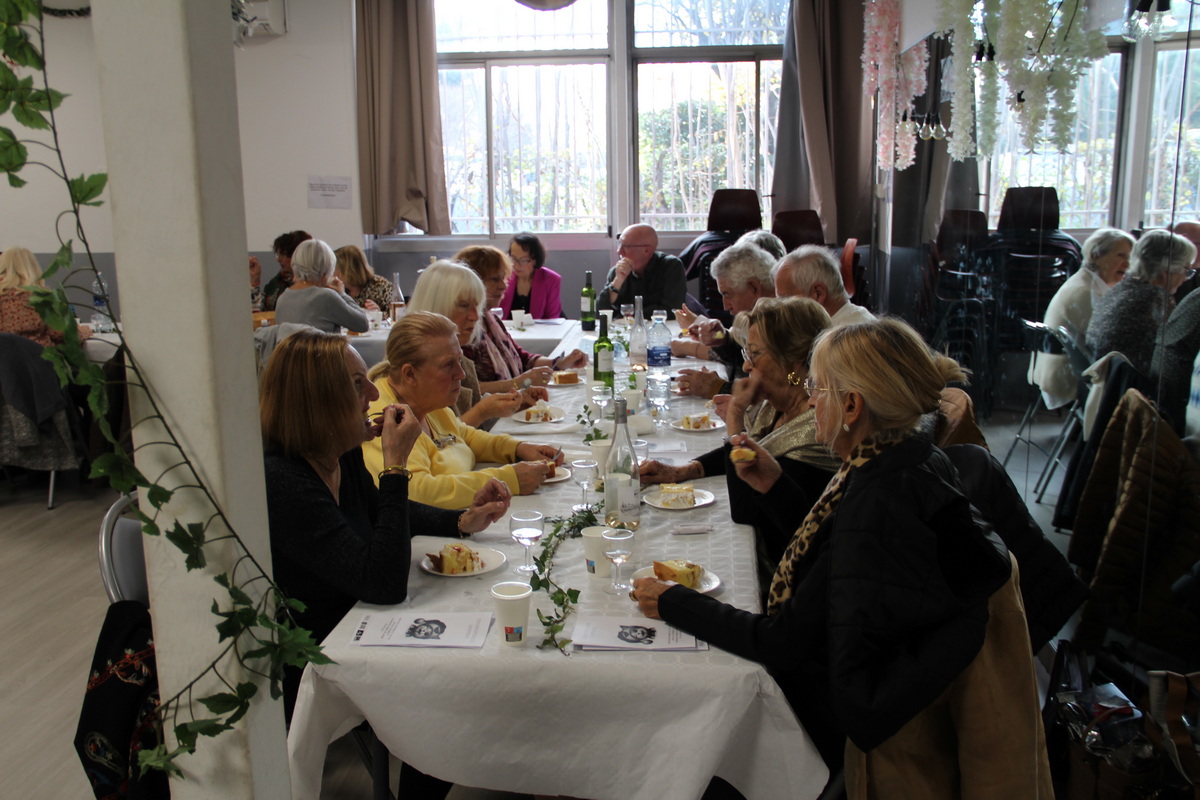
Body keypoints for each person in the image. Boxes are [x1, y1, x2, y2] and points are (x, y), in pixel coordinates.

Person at [632, 319, 1050, 796]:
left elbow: (782, 643)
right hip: (887, 683)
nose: (810, 401)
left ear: (851, 406)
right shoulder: (907, 456)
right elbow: (836, 562)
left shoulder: (880, 501)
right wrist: (777, 487)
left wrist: (672, 601)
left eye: (816, 389)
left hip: (847, 720)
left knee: (685, 725)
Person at [260, 329, 511, 720]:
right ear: (318, 400)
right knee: (467, 682)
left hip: (366, 621)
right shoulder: (283, 482)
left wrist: (462, 521)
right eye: (357, 385)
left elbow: (384, 511)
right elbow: (383, 583)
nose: (374, 394)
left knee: (484, 625)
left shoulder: (337, 455)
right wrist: (395, 466)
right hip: (325, 657)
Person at [641, 297, 838, 566]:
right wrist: (684, 471)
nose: (746, 366)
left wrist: (735, 418)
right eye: (746, 354)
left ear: (792, 361)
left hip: (780, 568)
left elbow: (745, 511)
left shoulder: (819, 428)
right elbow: (758, 448)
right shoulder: (776, 405)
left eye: (754, 354)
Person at [362, 311, 564, 509]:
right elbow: (416, 493)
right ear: (409, 374)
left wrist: (517, 448)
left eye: (459, 361)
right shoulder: (383, 420)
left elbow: (463, 435)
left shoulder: (425, 400)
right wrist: (509, 480)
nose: (461, 374)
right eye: (448, 365)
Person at [407, 258, 545, 428]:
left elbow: (467, 411)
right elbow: (439, 437)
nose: (475, 316)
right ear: (436, 307)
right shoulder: (418, 368)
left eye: (477, 306)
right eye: (463, 306)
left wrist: (512, 401)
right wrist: (483, 412)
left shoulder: (459, 359)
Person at [446, 250, 587, 386]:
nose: (502, 286)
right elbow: (467, 388)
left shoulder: (492, 320)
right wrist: (518, 383)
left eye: (503, 278)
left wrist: (559, 363)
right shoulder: (465, 329)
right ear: (474, 283)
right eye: (495, 279)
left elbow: (522, 359)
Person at [1029, 227, 1133, 408]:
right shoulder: (1086, 291)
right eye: (1121, 256)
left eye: (1130, 257)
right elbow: (1106, 341)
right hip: (1069, 376)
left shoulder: (1089, 282)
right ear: (1096, 256)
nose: (1128, 264)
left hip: (1063, 370)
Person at [675, 241, 778, 398]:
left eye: (727, 294)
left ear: (754, 287)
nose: (725, 306)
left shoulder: (782, 322)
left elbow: (775, 391)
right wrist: (722, 340)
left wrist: (719, 388)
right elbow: (743, 360)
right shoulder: (759, 315)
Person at [1087, 228, 1197, 375]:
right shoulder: (1156, 299)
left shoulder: (1121, 288)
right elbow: (1170, 356)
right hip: (1131, 384)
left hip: (1105, 379)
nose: (1185, 278)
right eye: (1187, 270)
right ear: (1167, 269)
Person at [0, 247, 92, 347]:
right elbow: (59, 334)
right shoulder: (42, 297)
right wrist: (82, 333)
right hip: (37, 354)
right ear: (33, 268)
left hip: (5, 355)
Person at [274, 239, 370, 334]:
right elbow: (362, 324)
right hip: (321, 345)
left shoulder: (282, 298)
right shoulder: (326, 296)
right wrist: (342, 294)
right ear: (326, 270)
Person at [772, 244, 875, 326]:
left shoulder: (841, 340)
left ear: (818, 293)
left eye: (784, 299)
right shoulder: (852, 316)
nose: (778, 309)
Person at [597, 223, 687, 314]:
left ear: (647, 251)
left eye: (626, 246)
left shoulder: (671, 266)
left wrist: (630, 315)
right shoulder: (618, 272)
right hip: (624, 323)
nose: (619, 251)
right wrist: (618, 281)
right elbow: (599, 312)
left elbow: (673, 309)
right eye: (619, 244)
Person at [502, 232, 563, 319]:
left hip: (540, 328)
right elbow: (495, 313)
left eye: (524, 260)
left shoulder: (551, 279)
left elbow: (552, 319)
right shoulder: (503, 277)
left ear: (535, 259)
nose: (517, 265)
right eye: (513, 259)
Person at [256, 230, 311, 312]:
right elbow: (261, 312)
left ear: (297, 256)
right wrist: (255, 282)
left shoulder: (314, 284)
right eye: (278, 254)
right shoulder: (276, 282)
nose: (278, 259)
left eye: (283, 255)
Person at [334, 244, 392, 311]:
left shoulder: (381, 286)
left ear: (346, 270)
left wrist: (377, 312)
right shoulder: (336, 289)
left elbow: (395, 314)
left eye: (334, 268)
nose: (332, 272)